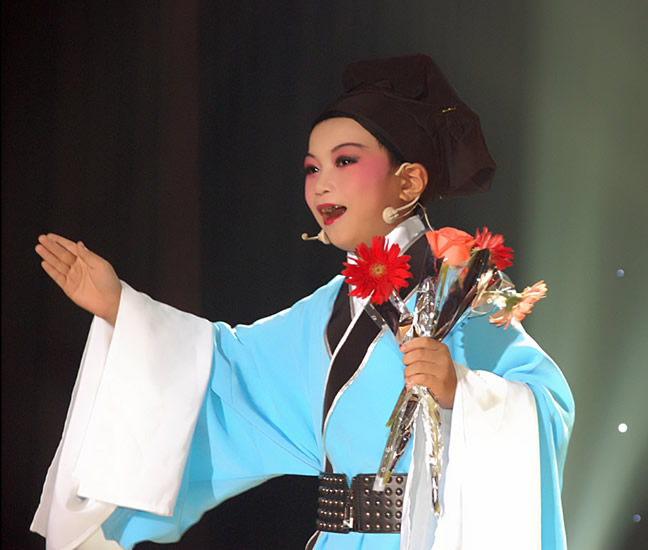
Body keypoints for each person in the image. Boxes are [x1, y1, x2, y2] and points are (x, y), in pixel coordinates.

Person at [31, 55, 574, 550]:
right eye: (312, 168)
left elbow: (546, 405)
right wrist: (120, 307)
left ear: (408, 182)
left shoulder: (461, 288)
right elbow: (224, 369)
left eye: (345, 161)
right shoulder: (327, 309)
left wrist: (461, 390)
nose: (320, 185)